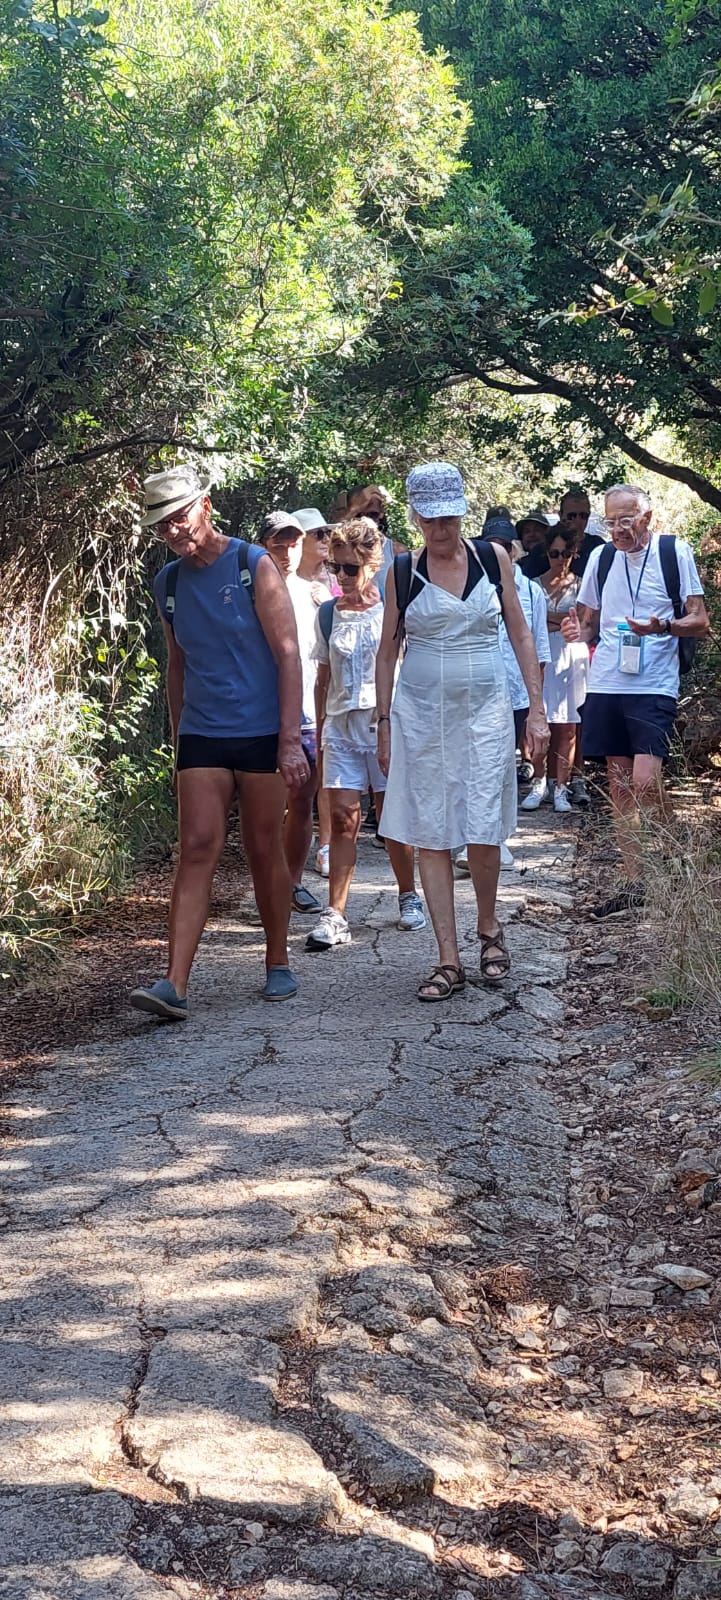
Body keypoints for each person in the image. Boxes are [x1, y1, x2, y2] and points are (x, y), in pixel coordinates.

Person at [130, 467, 308, 1019]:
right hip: (203, 732)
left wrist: (288, 741)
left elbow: (287, 655)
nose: (174, 532)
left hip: (260, 732)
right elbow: (176, 663)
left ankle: (277, 960)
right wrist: (180, 735)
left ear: (204, 507)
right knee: (198, 847)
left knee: (261, 848)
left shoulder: (252, 565)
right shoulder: (170, 583)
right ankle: (174, 982)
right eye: (162, 526)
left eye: (179, 517)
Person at [376, 462, 549, 1002]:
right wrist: (383, 723)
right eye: (429, 518)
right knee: (430, 826)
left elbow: (520, 633)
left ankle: (489, 929)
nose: (440, 528)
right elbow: (387, 651)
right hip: (422, 712)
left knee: (481, 821)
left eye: (448, 516)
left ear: (461, 512)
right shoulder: (401, 571)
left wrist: (537, 710)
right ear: (415, 517)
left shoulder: (492, 558)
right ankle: (447, 959)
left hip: (486, 708)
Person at [562, 483, 709, 918]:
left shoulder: (672, 551)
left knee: (646, 780)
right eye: (610, 522)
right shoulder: (601, 558)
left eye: (626, 520)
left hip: (654, 682)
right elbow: (589, 625)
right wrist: (577, 634)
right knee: (620, 784)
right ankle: (635, 881)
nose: (618, 529)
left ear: (647, 516)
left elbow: (699, 620)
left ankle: (672, 848)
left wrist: (662, 627)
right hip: (608, 680)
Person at [306, 517, 426, 949]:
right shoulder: (328, 614)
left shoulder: (393, 612)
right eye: (335, 568)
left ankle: (408, 894)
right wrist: (320, 735)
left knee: (391, 818)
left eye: (350, 569)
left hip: (386, 726)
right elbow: (323, 679)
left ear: (374, 565)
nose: (341, 577)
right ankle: (335, 912)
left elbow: (411, 670)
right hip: (341, 726)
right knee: (341, 819)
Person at [455, 515, 551, 871]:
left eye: (504, 547)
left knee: (503, 769)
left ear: (515, 550)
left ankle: (497, 838)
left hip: (516, 692)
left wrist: (537, 704)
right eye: (490, 545)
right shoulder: (469, 583)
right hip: (476, 690)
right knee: (473, 766)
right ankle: (470, 840)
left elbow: (538, 646)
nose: (498, 552)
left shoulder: (531, 591)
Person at [256, 511, 323, 915]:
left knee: (302, 802)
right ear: (263, 546)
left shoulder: (317, 596)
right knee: (263, 807)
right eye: (277, 544)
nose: (286, 552)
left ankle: (292, 883)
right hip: (263, 715)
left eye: (293, 543)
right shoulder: (250, 593)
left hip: (310, 714)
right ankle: (269, 884)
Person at [522, 525, 589, 813]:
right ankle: (539, 782)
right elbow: (529, 622)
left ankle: (561, 787)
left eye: (565, 553)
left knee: (568, 725)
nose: (559, 559)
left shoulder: (583, 584)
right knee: (540, 722)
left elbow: (583, 621)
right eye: (553, 553)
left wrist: (550, 620)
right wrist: (559, 620)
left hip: (572, 655)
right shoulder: (533, 585)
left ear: (574, 554)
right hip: (542, 655)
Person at [293, 507, 334, 875]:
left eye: (326, 533)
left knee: (324, 774)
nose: (325, 540)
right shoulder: (280, 584)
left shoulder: (336, 584)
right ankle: (284, 860)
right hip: (292, 695)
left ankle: (326, 845)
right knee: (294, 786)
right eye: (317, 534)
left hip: (324, 692)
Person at [520, 490, 603, 580]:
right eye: (572, 516)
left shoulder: (598, 547)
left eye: (583, 515)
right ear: (561, 515)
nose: (578, 521)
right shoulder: (539, 551)